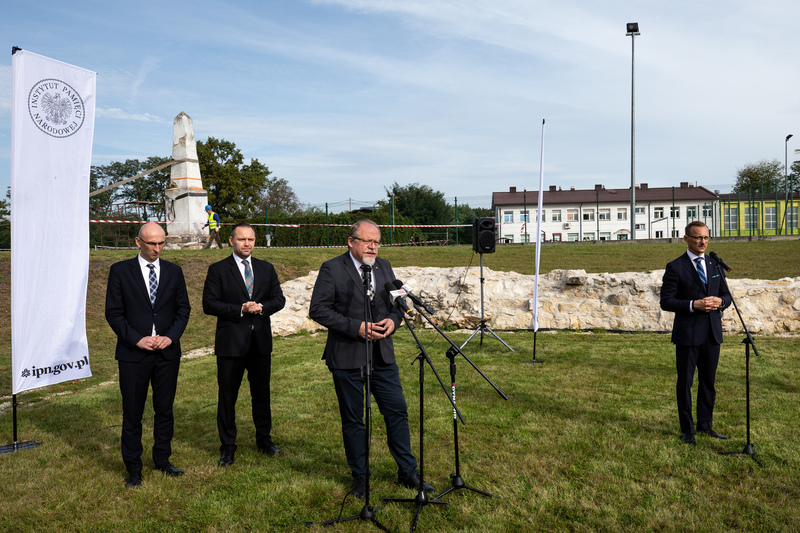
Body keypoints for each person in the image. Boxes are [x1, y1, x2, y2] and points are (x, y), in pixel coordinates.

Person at [308, 219, 434, 499]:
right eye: (367, 241)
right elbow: (318, 309)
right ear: (351, 241)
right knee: (354, 420)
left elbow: (397, 305)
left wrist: (393, 320)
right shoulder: (332, 269)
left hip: (383, 356)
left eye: (376, 241)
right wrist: (357, 327)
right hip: (347, 356)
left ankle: (407, 473)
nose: (373, 247)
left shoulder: (385, 266)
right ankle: (360, 477)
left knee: (397, 412)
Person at [105, 222, 191, 488]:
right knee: (133, 413)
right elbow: (114, 313)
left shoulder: (174, 272)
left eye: (161, 243)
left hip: (167, 354)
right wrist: (136, 339)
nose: (157, 249)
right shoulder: (120, 271)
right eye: (152, 243)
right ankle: (134, 468)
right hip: (133, 355)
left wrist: (170, 337)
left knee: (164, 410)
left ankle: (162, 459)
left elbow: (183, 310)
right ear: (137, 242)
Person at [202, 222, 286, 466]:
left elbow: (278, 299)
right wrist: (240, 309)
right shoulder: (218, 269)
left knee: (262, 395)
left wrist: (262, 307)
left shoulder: (266, 268)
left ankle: (264, 440)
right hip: (231, 344)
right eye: (242, 239)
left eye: (250, 239)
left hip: (260, 343)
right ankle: (228, 446)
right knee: (227, 397)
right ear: (231, 241)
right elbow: (209, 304)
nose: (247, 243)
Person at [660, 221, 732, 446]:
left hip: (712, 333)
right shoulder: (675, 266)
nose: (703, 242)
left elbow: (727, 296)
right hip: (688, 334)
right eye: (698, 237)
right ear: (686, 239)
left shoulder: (714, 265)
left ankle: (705, 425)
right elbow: (666, 301)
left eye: (706, 238)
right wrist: (694, 304)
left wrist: (720, 302)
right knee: (686, 383)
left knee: (708, 382)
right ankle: (687, 430)